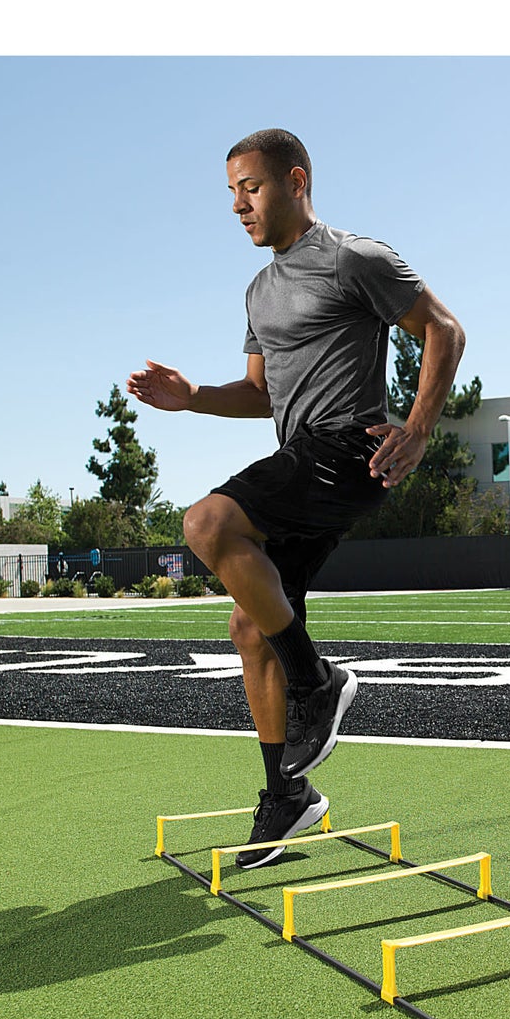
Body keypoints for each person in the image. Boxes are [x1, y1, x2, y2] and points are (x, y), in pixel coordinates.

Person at [127, 128, 465, 870]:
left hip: (347, 449)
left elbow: (443, 329)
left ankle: (316, 681)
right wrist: (192, 397)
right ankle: (287, 792)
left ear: (296, 181)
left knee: (206, 522)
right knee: (250, 626)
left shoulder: (353, 258)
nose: (238, 205)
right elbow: (260, 394)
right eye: (231, 192)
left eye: (250, 187)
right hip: (298, 458)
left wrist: (416, 429)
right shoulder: (258, 292)